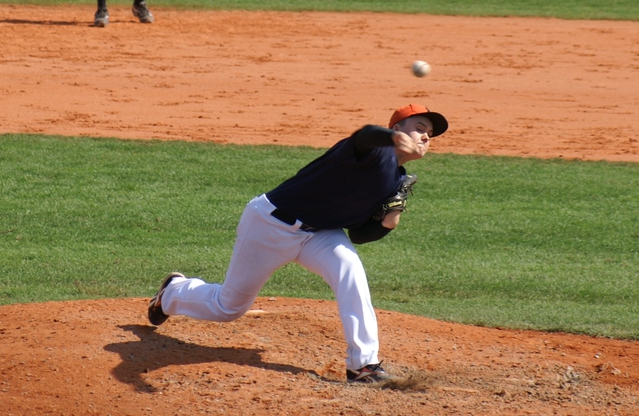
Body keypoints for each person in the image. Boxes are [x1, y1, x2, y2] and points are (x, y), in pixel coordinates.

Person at [146, 104, 449, 384]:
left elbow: (359, 234)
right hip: (270, 224)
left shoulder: (396, 181)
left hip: (320, 234)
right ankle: (173, 291)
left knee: (351, 270)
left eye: (430, 134)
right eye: (419, 128)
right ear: (397, 128)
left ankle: (363, 365)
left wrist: (389, 221)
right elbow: (364, 134)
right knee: (228, 308)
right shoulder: (373, 151)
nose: (426, 136)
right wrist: (389, 138)